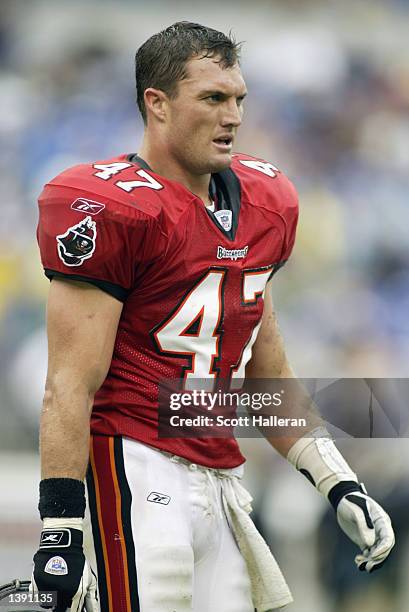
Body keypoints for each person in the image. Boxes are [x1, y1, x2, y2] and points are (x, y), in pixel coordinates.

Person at [31, 21, 395, 612]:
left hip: (219, 478)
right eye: (212, 98)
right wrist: (61, 527)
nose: (233, 117)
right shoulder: (111, 205)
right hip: (133, 464)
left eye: (239, 99)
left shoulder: (264, 203)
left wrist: (338, 481)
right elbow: (69, 385)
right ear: (158, 104)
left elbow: (266, 372)